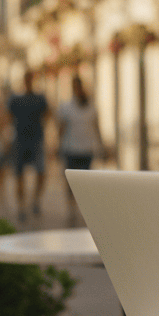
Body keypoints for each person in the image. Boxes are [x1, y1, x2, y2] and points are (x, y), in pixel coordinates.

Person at [56, 75, 105, 226]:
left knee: (85, 181)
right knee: (71, 182)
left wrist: (101, 145)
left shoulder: (91, 106)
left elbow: (96, 127)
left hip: (86, 149)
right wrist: (59, 146)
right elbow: (61, 128)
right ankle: (72, 209)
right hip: (71, 149)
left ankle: (84, 209)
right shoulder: (66, 107)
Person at [7, 70, 50, 220]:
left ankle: (35, 200)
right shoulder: (15, 99)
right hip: (20, 141)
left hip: (36, 141)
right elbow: (7, 117)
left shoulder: (40, 99)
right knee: (19, 176)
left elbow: (48, 114)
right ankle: (21, 206)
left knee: (41, 173)